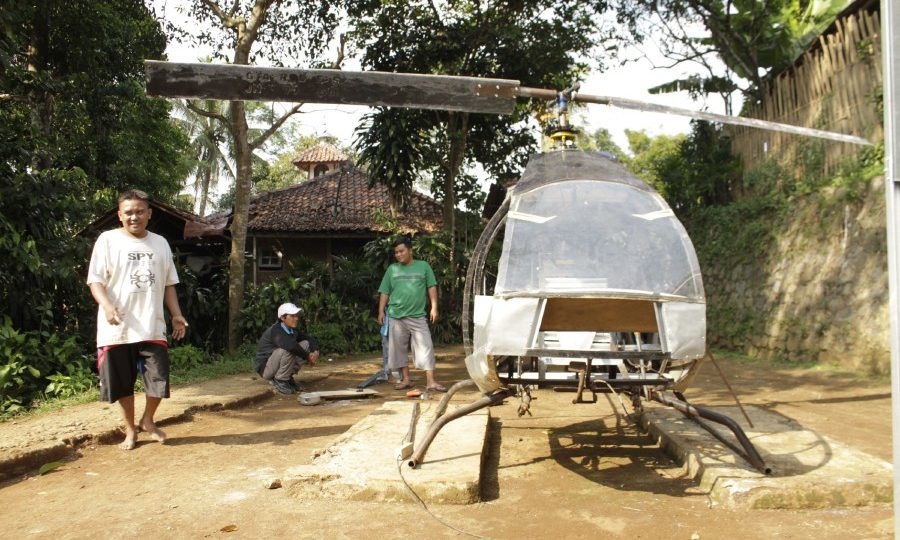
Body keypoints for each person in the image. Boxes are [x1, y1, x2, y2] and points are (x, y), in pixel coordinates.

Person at [87, 189, 188, 450]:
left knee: (159, 379)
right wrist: (106, 306)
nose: (135, 217)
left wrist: (176, 315)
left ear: (149, 214)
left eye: (140, 211)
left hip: (152, 325)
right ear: (120, 215)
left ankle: (147, 420)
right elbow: (95, 281)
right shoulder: (107, 241)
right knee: (122, 384)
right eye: (129, 212)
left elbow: (169, 284)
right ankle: (130, 430)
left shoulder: (160, 243)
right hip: (116, 328)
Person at [377, 237, 446, 392]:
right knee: (398, 350)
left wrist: (434, 307)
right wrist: (381, 311)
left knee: (426, 346)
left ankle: (431, 381)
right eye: (396, 252)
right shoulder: (392, 269)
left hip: (418, 316)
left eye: (401, 251)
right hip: (395, 316)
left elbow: (431, 287)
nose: (398, 254)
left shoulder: (423, 266)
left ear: (410, 250)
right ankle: (406, 379)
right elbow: (384, 291)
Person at [255, 302, 320, 395]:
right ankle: (280, 379)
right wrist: (307, 356)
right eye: (292, 316)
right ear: (282, 318)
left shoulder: (292, 330)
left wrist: (315, 352)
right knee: (288, 348)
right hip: (266, 369)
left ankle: (287, 377)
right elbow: (290, 346)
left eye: (296, 316)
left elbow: (309, 339)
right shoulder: (276, 330)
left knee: (306, 344)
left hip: (277, 362)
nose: (296, 318)